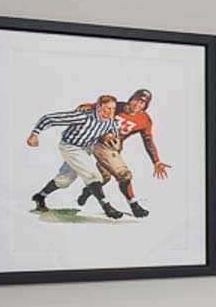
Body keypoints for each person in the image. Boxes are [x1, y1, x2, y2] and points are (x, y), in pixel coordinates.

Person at [73, 87, 170, 219]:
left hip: (112, 147)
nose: (137, 105)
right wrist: (88, 106)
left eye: (142, 103)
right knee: (124, 175)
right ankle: (134, 205)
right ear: (131, 99)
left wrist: (156, 161)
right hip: (99, 142)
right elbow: (100, 106)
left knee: (103, 178)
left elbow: (148, 140)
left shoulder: (144, 120)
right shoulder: (117, 106)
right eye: (136, 100)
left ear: (146, 106)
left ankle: (88, 191)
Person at [29, 95, 121, 216]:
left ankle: (40, 196)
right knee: (92, 174)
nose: (109, 112)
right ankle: (107, 207)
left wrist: (110, 136)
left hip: (85, 149)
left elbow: (114, 136)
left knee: (66, 179)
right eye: (106, 108)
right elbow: (49, 118)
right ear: (98, 107)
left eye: (112, 109)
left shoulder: (110, 122)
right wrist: (35, 134)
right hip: (70, 147)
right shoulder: (83, 117)